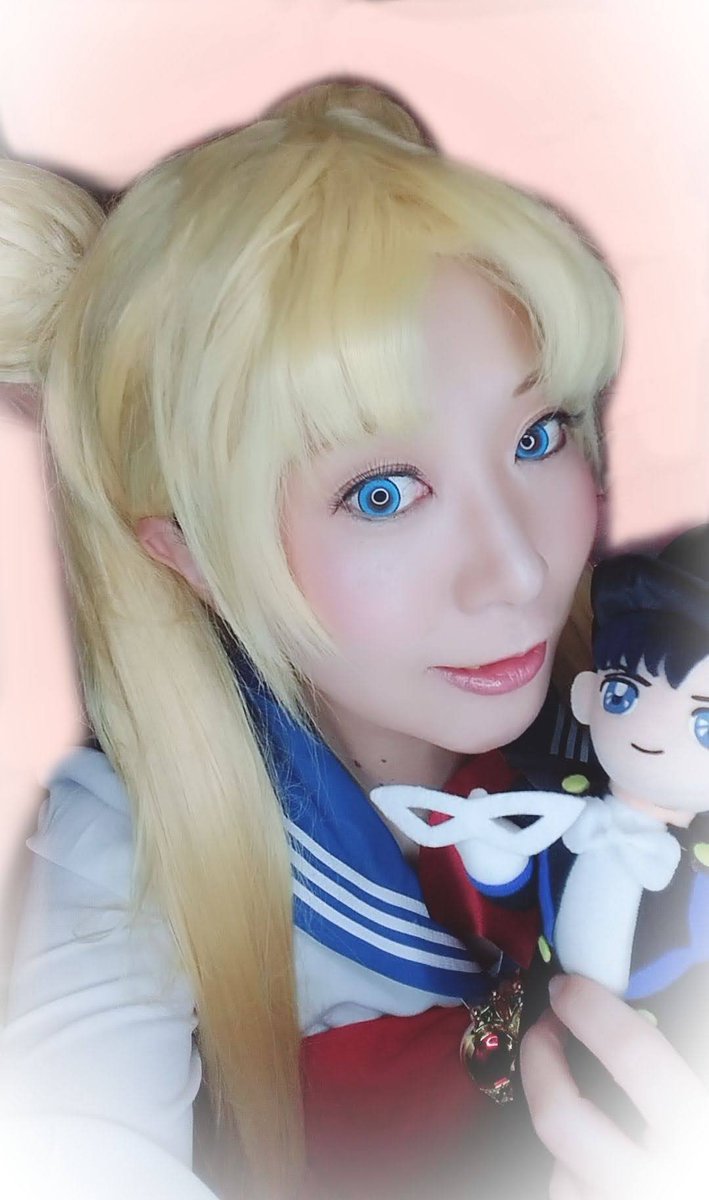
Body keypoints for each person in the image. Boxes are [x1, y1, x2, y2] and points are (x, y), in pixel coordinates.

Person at [0, 78, 705, 1200]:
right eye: (381, 493)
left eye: (537, 434)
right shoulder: (129, 861)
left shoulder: (663, 704)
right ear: (188, 551)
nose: (518, 571)